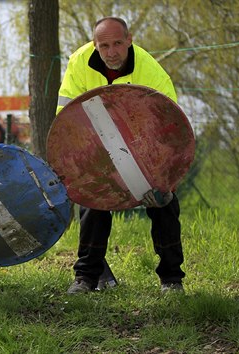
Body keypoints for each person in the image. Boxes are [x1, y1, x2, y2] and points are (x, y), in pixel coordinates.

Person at [57, 17, 185, 294]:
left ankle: (172, 280)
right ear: (95, 46)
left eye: (117, 43)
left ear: (129, 41)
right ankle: (86, 279)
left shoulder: (152, 72)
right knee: (92, 203)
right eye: (104, 46)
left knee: (164, 204)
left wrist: (165, 181)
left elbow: (171, 128)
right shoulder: (79, 63)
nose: (112, 52)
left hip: (146, 154)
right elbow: (66, 120)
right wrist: (85, 171)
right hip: (97, 151)